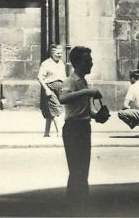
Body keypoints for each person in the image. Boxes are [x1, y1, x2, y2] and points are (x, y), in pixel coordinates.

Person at [59, 45, 102, 206]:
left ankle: (80, 201)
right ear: (78, 63)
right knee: (76, 168)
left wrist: (98, 116)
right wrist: (87, 92)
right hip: (73, 128)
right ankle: (75, 203)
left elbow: (86, 109)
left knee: (83, 168)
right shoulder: (71, 81)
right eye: (87, 60)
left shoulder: (83, 82)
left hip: (84, 127)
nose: (91, 63)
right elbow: (63, 98)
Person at [37, 43, 66, 137]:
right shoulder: (45, 64)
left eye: (61, 53)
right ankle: (60, 133)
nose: (59, 55)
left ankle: (46, 133)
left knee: (51, 111)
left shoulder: (61, 63)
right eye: (57, 53)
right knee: (56, 109)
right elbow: (40, 77)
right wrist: (46, 89)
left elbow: (63, 77)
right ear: (52, 53)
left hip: (61, 88)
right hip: (50, 88)